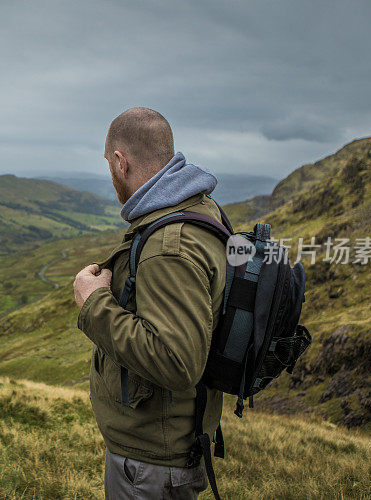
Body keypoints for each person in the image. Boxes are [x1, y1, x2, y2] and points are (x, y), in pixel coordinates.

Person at [74, 107, 227, 499]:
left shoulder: (166, 247)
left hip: (152, 464)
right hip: (164, 448)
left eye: (110, 164)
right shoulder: (198, 207)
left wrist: (93, 304)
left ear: (120, 162)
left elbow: (177, 360)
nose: (111, 175)